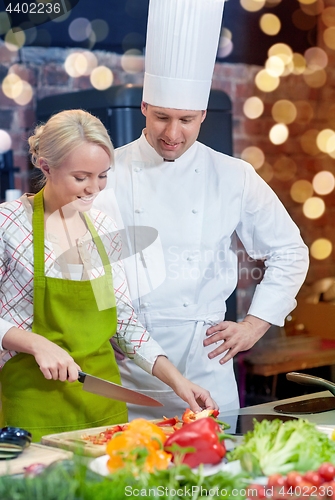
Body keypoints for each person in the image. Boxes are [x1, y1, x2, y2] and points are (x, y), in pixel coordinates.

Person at [94, 0, 309, 420]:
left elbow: (289, 251)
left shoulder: (233, 174)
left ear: (203, 115)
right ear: (143, 108)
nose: (172, 133)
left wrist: (254, 324)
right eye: (161, 118)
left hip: (208, 365)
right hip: (128, 368)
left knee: (215, 479)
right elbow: (90, 266)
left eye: (187, 120)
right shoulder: (106, 171)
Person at [0, 109, 217, 442]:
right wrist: (34, 343)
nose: (94, 189)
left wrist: (178, 381)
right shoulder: (8, 224)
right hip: (31, 407)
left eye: (102, 175)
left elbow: (123, 322)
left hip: (103, 410)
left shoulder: (103, 227)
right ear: (45, 166)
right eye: (81, 177)